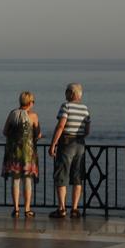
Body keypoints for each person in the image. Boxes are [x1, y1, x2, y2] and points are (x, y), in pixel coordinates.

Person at [49, 83, 91, 219]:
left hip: (66, 143)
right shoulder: (85, 109)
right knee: (77, 177)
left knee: (62, 175)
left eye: (67, 91)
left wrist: (53, 144)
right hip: (80, 144)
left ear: (72, 93)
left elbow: (61, 126)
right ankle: (74, 209)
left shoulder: (66, 106)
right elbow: (87, 130)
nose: (65, 94)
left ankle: (61, 208)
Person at [2, 91, 41, 218]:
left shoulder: (12, 114)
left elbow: (5, 131)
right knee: (28, 181)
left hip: (13, 152)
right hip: (27, 153)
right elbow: (38, 134)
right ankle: (27, 209)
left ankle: (16, 209)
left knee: (15, 181)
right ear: (30, 102)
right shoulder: (33, 116)